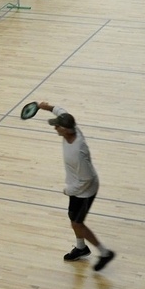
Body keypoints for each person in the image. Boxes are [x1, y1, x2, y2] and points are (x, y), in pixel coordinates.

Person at [34, 102, 116, 269]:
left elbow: (86, 179)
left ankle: (105, 253)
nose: (55, 128)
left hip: (85, 191)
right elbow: (62, 111)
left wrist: (69, 190)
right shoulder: (73, 129)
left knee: (77, 223)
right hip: (77, 185)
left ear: (66, 130)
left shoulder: (77, 152)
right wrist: (46, 106)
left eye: (57, 126)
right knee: (73, 218)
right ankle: (81, 248)